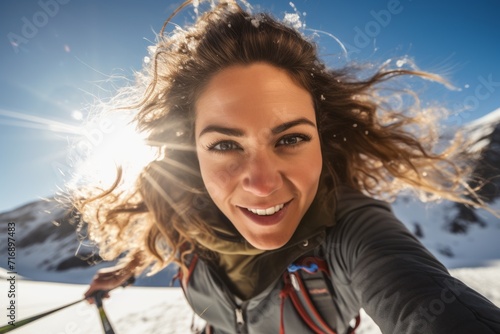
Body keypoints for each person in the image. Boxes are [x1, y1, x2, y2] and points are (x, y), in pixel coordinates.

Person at [77, 1, 500, 333]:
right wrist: (123, 272)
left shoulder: (352, 230)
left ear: (321, 139)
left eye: (291, 139)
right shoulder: (184, 204)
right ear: (192, 154)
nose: (261, 184)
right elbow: (167, 233)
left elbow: (419, 293)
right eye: (225, 144)